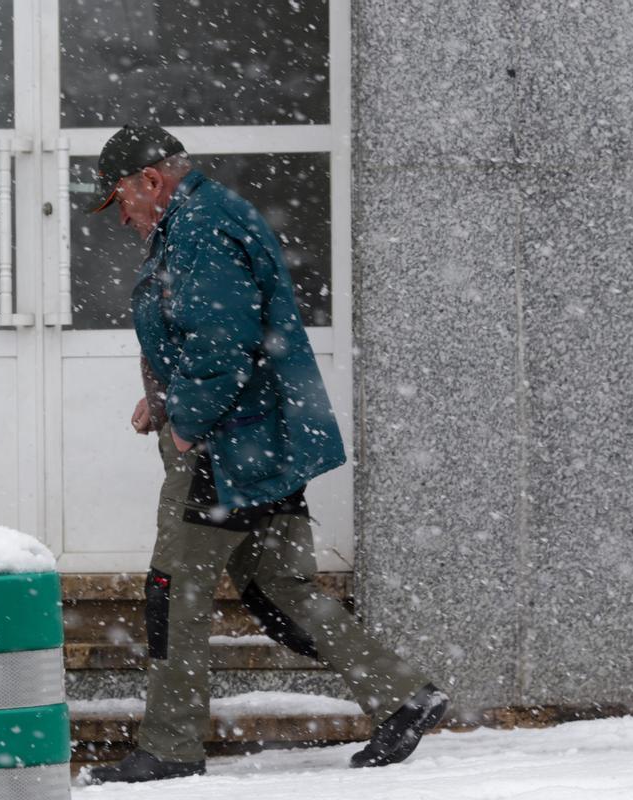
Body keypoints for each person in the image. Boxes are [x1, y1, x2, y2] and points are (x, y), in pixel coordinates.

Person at [81, 125, 449, 784]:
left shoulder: (197, 230)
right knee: (283, 586)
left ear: (153, 182)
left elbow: (222, 343)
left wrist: (188, 423)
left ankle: (169, 746)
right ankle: (403, 697)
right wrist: (163, 400)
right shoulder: (206, 217)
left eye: (121, 201)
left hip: (228, 449)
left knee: (175, 591)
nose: (123, 217)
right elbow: (208, 336)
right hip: (263, 439)